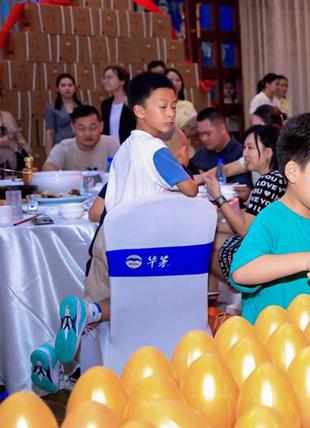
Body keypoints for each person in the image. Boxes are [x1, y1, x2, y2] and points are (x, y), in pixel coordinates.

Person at [30, 72, 198, 394]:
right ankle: (96, 329)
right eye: (162, 106)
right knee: (130, 303)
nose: (170, 114)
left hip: (106, 240)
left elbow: (96, 210)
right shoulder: (156, 150)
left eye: (174, 107)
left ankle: (51, 355)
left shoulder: (122, 152)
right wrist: (183, 173)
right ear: (138, 110)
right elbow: (189, 189)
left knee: (92, 310)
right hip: (137, 244)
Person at [229, 112, 310, 323]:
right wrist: (306, 260)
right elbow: (241, 272)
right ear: (293, 172)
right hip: (272, 343)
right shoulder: (271, 219)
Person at [205, 125, 286, 283]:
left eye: (250, 148)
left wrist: (218, 196)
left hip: (264, 254)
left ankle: (214, 300)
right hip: (272, 247)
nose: (244, 154)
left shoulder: (268, 182)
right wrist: (210, 225)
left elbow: (243, 229)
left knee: (203, 251)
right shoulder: (277, 177)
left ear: (268, 153)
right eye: (244, 148)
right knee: (209, 236)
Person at [43, 106, 119, 171]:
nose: (88, 133)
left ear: (101, 126)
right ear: (73, 128)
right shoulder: (64, 147)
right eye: (82, 128)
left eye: (93, 128)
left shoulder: (111, 144)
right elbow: (47, 168)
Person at [189, 108, 252, 187]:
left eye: (208, 134)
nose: (204, 138)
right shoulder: (199, 155)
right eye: (201, 135)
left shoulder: (242, 153)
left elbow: (244, 189)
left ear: (222, 128)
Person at [45, 73, 82, 154]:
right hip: (61, 147)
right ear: (57, 89)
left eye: (70, 85)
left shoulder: (83, 106)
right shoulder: (52, 108)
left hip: (81, 146)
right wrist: (49, 155)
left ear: (75, 88)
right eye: (63, 85)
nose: (67, 88)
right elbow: (50, 133)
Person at [101, 65, 136, 144]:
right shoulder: (106, 104)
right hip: (111, 149)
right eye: (104, 78)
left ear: (122, 81)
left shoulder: (132, 102)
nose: (106, 81)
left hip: (129, 147)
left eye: (110, 77)